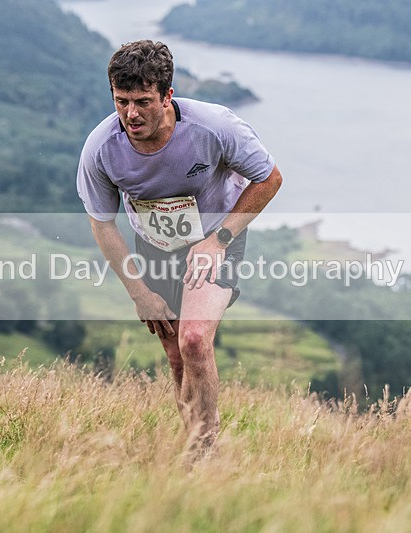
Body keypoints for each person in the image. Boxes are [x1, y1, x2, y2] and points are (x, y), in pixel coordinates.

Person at [77, 40, 282, 458]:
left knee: (192, 340)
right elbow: (102, 222)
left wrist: (218, 239)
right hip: (154, 247)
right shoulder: (101, 149)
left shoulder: (214, 126)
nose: (131, 115)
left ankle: (203, 453)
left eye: (143, 102)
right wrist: (139, 293)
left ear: (167, 96)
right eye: (121, 102)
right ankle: (194, 444)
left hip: (216, 240)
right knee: (175, 358)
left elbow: (269, 178)